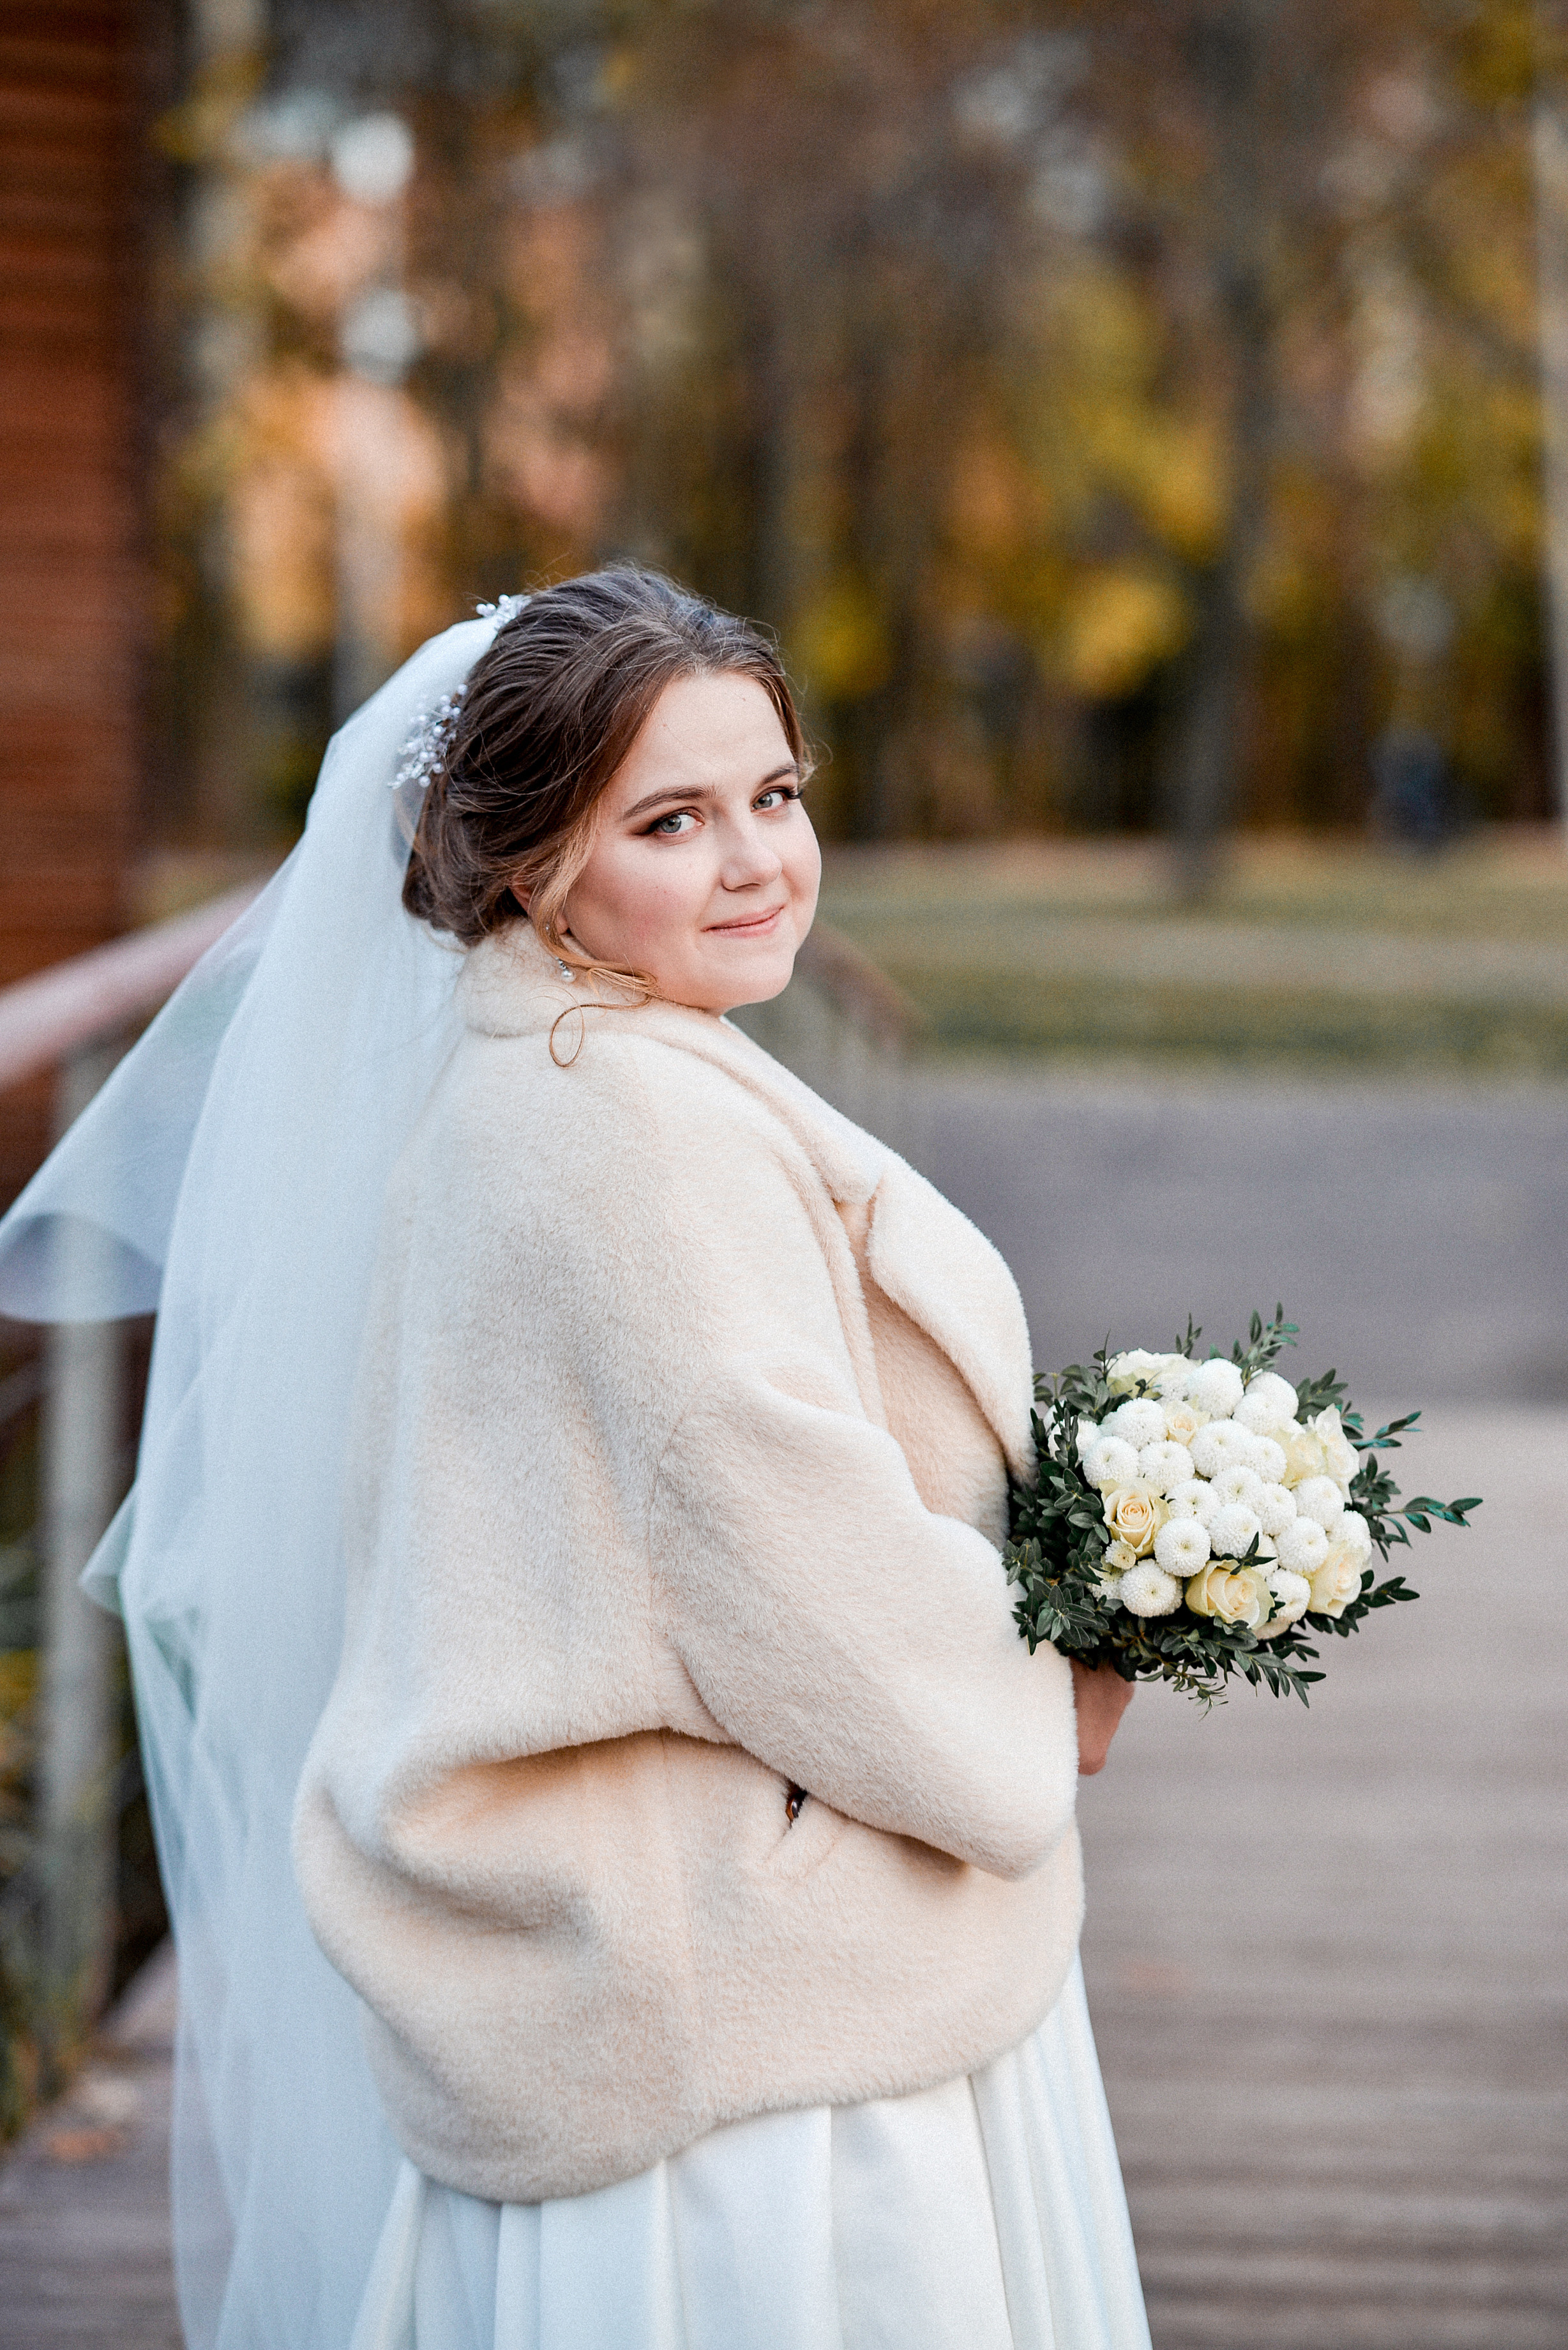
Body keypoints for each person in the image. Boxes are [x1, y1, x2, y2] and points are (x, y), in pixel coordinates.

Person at [0, 568, 1145, 2350]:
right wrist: (1053, 1694)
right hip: (749, 2031)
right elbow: (788, 1564)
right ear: (533, 866)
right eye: (671, 822)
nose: (757, 862)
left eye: (776, 795)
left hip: (653, 1946)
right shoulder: (630, 1145)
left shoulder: (560, 1064)